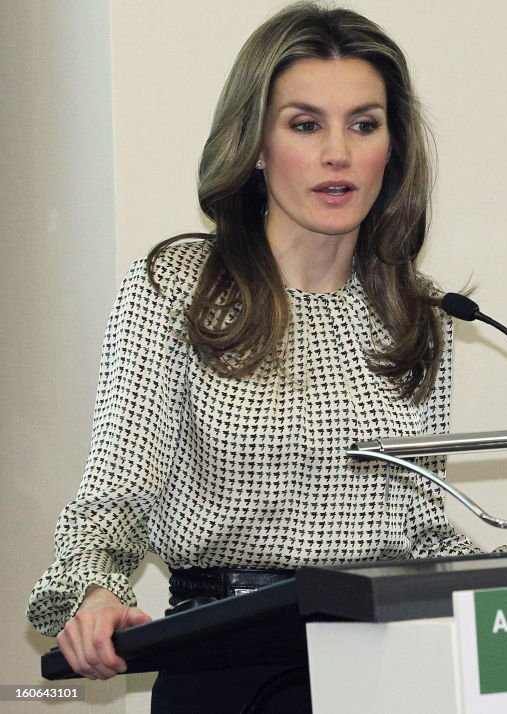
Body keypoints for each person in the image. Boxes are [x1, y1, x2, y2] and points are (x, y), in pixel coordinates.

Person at [27, 2, 478, 710]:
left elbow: (419, 526)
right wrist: (94, 593)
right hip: (228, 668)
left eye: (364, 124)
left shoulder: (416, 314)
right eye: (306, 124)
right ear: (258, 146)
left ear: (391, 149)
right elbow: (112, 502)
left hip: (387, 669)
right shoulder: (180, 289)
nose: (339, 153)